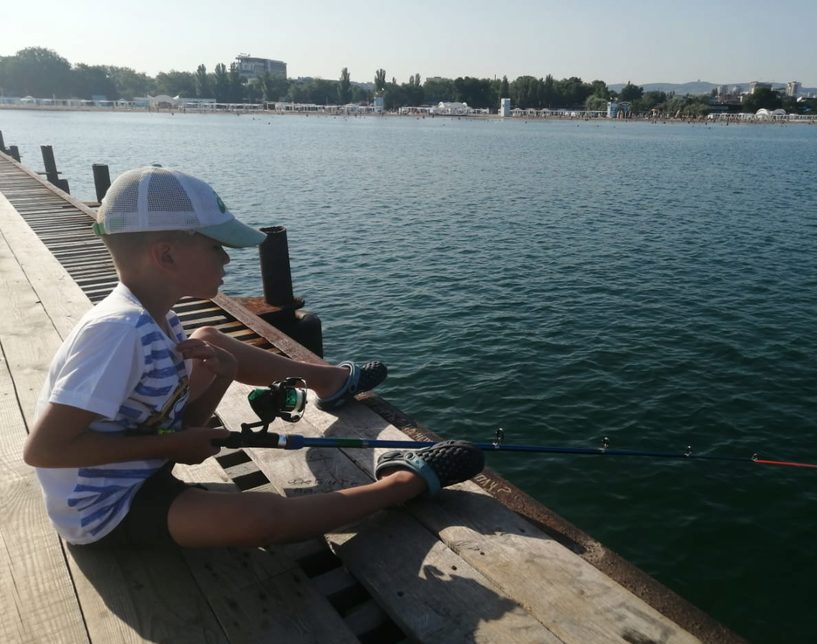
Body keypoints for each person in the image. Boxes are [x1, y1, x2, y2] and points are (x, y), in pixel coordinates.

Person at [22, 166, 483, 549]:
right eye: (215, 246)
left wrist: (220, 378)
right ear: (165, 255)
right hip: (109, 511)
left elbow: (182, 431)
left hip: (145, 466)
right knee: (263, 520)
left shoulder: (160, 319)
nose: (227, 259)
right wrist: (169, 447)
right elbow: (44, 450)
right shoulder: (116, 333)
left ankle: (327, 380)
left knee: (213, 342)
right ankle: (401, 485)